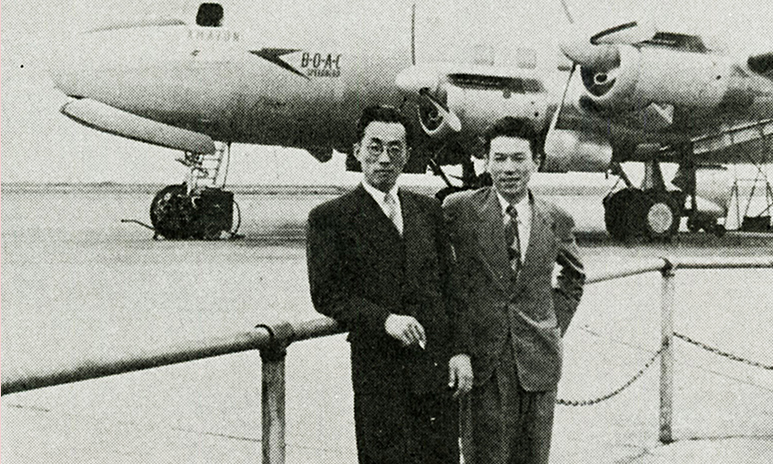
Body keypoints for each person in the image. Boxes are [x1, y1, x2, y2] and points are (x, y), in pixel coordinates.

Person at [306, 105, 473, 464]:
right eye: (375, 147)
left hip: (435, 369)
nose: (384, 158)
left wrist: (460, 351)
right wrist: (385, 320)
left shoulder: (428, 211)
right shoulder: (330, 218)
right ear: (357, 151)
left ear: (408, 155)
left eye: (395, 149)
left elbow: (451, 287)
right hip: (380, 372)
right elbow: (327, 294)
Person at [443, 117, 585, 464]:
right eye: (500, 158)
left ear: (536, 161)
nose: (509, 168)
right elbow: (444, 279)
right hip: (483, 363)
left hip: (538, 361)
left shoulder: (556, 218)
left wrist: (549, 324)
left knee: (534, 458)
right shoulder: (459, 210)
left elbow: (575, 276)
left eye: (519, 158)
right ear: (486, 161)